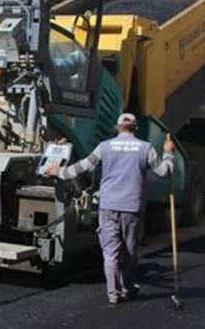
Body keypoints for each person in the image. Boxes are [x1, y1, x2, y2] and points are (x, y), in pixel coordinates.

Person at [47, 112, 175, 305]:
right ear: (136, 128)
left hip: (108, 206)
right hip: (132, 206)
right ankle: (128, 287)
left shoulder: (104, 147)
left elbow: (82, 167)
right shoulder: (146, 148)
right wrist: (168, 153)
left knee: (110, 251)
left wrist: (59, 172)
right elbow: (165, 172)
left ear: (117, 128)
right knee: (130, 250)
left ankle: (113, 293)